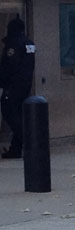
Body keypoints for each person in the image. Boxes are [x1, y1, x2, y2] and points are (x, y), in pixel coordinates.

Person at [0, 17, 35, 159]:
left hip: (13, 85)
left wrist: (3, 82)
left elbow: (10, 66)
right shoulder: (29, 43)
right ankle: (16, 148)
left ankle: (27, 140)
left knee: (9, 113)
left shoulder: (14, 44)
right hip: (25, 85)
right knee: (19, 116)